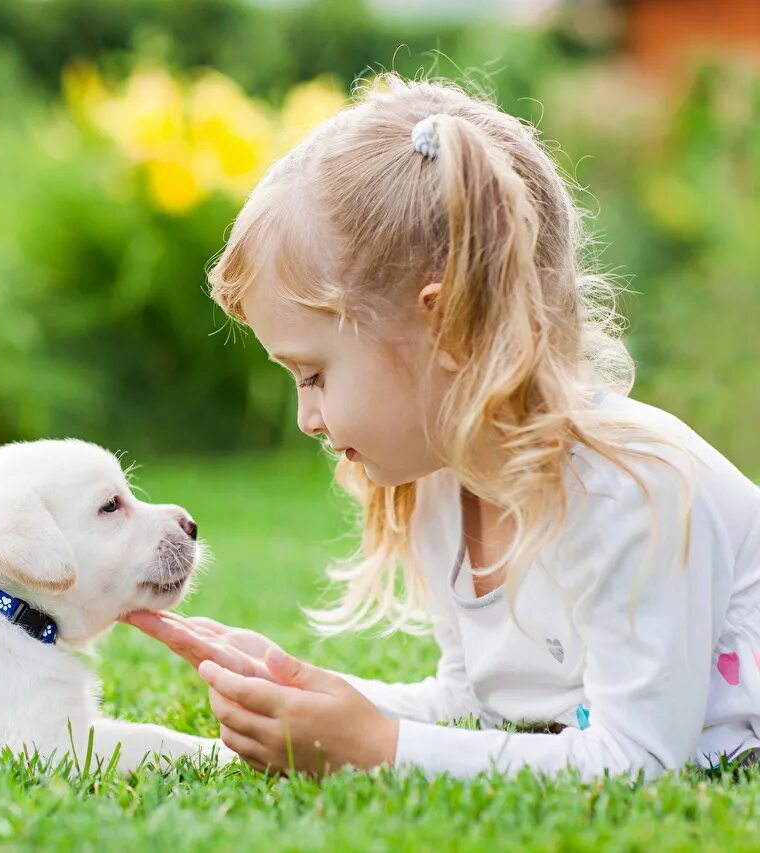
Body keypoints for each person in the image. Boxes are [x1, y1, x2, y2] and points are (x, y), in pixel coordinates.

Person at [124, 74, 760, 780]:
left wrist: (376, 748)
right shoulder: (440, 486)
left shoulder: (632, 492)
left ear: (446, 322)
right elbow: (475, 706)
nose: (307, 416)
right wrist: (295, 686)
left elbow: (636, 760)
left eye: (314, 374)